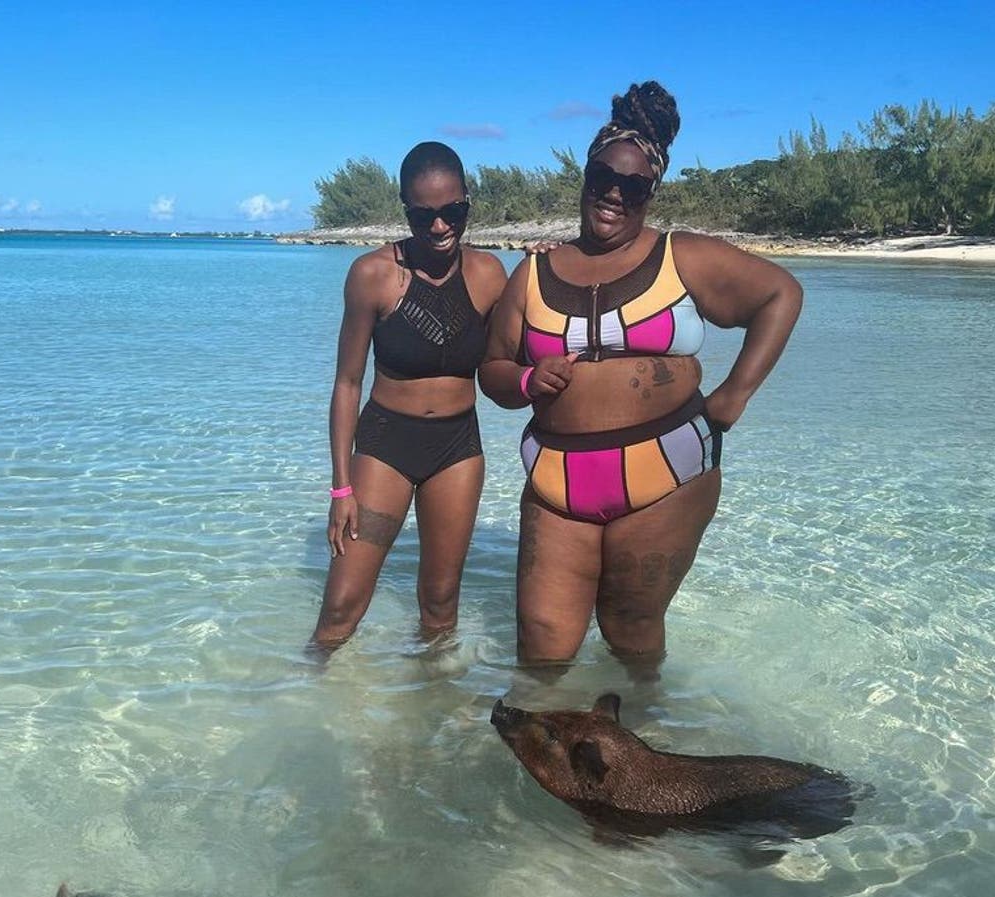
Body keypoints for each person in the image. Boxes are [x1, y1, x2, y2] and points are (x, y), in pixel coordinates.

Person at [480, 81, 804, 674]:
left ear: (651, 192)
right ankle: (539, 733)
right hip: (556, 482)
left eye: (633, 186)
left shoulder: (683, 256)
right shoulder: (532, 272)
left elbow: (781, 294)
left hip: (668, 477)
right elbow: (493, 371)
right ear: (585, 176)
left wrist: (734, 396)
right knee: (541, 641)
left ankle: (647, 728)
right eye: (603, 176)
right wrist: (527, 382)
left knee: (631, 631)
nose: (614, 193)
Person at [311, 142, 508, 650]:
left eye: (453, 212)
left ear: (467, 202)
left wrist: (545, 266)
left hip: (457, 448)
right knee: (341, 606)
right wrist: (340, 489)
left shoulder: (489, 275)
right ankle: (306, 688)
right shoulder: (373, 275)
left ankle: (436, 697)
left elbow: (512, 357)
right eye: (424, 217)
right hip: (386, 446)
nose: (440, 227)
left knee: (440, 603)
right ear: (405, 211)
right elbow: (347, 383)